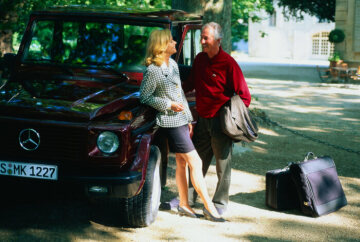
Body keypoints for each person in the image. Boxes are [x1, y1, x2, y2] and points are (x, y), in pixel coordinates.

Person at [139, 29, 224, 222]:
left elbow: (180, 95)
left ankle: (184, 204)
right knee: (196, 162)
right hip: (169, 122)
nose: (175, 42)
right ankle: (209, 207)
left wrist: (187, 118)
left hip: (180, 121)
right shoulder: (153, 70)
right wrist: (168, 105)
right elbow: (144, 96)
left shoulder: (174, 65)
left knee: (182, 162)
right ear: (161, 45)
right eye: (171, 41)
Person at [183, 22, 251, 215]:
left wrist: (230, 118)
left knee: (223, 166)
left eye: (206, 38)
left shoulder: (229, 64)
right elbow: (190, 84)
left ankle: (220, 203)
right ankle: (188, 198)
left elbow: (245, 97)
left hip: (221, 123)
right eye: (201, 38)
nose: (202, 41)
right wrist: (171, 91)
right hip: (202, 120)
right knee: (196, 162)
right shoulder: (199, 60)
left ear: (218, 41)